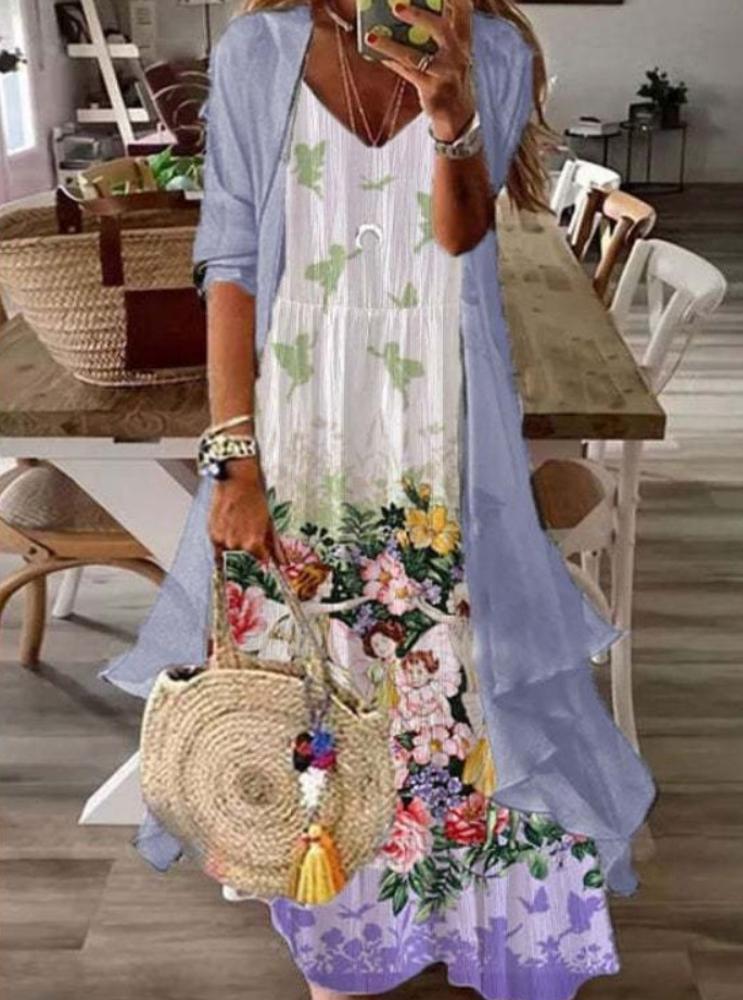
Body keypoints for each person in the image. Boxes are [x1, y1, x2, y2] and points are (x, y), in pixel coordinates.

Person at [100, 0, 657, 997]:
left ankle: (451, 921)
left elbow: (464, 240)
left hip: (441, 423)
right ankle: (343, 950)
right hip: (300, 426)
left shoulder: (490, 50)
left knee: (458, 694)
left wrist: (451, 114)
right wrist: (233, 460)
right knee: (312, 694)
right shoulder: (259, 54)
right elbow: (229, 264)